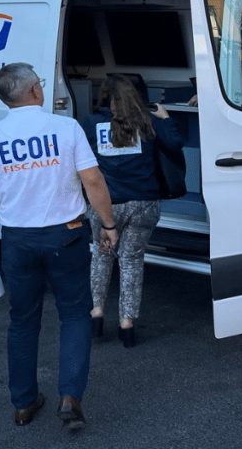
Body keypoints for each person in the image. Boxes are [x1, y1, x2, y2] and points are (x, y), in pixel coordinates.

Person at [0, 62, 118, 431]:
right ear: (35, 91)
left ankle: (23, 403)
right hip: (66, 235)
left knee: (22, 321)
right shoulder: (66, 128)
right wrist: (108, 224)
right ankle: (70, 397)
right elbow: (93, 181)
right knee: (75, 314)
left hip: (18, 241)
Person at [81, 75, 185, 348]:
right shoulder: (147, 121)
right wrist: (165, 117)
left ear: (104, 96)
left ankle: (96, 314)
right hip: (144, 205)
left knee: (102, 256)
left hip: (106, 205)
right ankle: (127, 324)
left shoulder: (90, 124)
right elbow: (175, 143)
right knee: (131, 261)